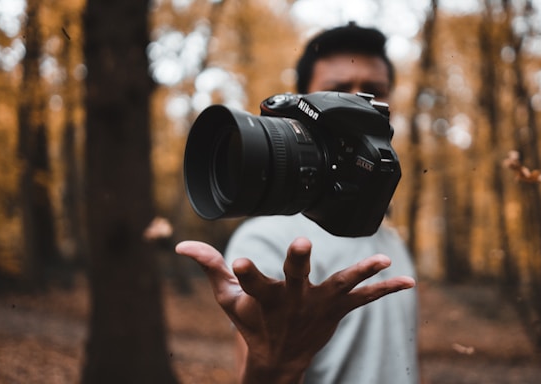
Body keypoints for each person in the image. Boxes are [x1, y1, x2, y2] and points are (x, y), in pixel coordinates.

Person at [176, 23, 419, 384]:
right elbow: (259, 364)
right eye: (338, 92)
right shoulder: (267, 238)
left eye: (373, 94)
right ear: (305, 104)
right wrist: (276, 366)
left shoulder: (388, 237)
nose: (357, 104)